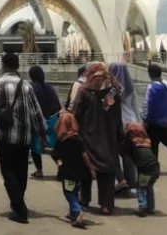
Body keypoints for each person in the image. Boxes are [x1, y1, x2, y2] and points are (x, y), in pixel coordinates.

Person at [0, 51, 47, 224]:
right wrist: (42, 133)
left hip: (4, 137)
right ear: (17, 66)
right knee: (21, 171)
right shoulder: (26, 86)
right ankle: (18, 202)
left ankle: (19, 208)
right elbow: (36, 112)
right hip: (24, 136)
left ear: (3, 65)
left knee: (8, 171)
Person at [72, 62, 122, 216]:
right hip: (98, 136)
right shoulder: (91, 92)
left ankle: (96, 202)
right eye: (97, 78)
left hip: (98, 137)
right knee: (95, 171)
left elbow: (118, 90)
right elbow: (77, 114)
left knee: (98, 170)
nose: (99, 81)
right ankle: (94, 202)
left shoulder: (97, 93)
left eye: (102, 78)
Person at [50, 111, 90, 228]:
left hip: (67, 172)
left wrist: (59, 163)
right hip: (79, 172)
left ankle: (77, 210)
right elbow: (85, 156)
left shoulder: (61, 141)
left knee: (68, 193)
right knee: (75, 191)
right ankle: (72, 213)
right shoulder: (79, 139)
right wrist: (91, 169)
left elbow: (54, 155)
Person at [108, 62, 140, 195]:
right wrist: (139, 123)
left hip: (118, 124)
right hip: (131, 123)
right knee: (128, 154)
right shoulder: (130, 88)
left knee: (115, 152)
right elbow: (136, 108)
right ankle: (131, 181)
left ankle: (122, 181)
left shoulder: (112, 89)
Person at [28, 65, 62, 178]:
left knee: (35, 148)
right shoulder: (50, 88)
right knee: (55, 149)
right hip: (53, 120)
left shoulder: (30, 88)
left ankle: (39, 170)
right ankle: (60, 167)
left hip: (37, 123)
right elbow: (58, 106)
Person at [123, 122, 160, 216]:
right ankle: (151, 208)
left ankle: (142, 207)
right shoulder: (147, 141)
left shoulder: (132, 142)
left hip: (145, 168)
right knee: (149, 186)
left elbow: (125, 152)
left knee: (141, 187)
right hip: (155, 167)